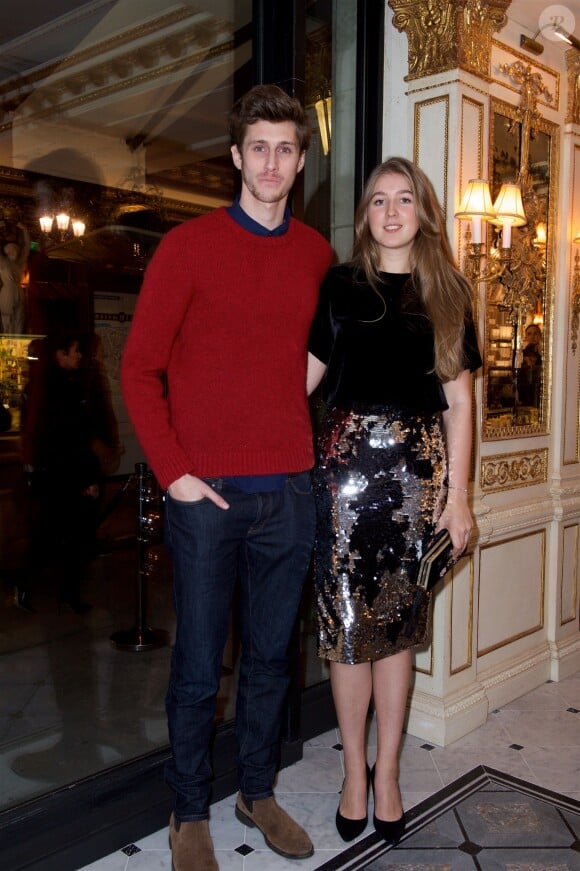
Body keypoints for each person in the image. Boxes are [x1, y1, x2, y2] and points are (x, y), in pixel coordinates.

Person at [121, 84, 333, 870]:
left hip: (288, 490)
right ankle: (187, 810)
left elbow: (318, 357)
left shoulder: (316, 255)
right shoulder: (187, 249)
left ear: (300, 161)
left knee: (274, 658)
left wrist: (284, 402)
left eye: (287, 148)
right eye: (259, 147)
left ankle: (256, 788)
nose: (272, 162)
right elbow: (139, 369)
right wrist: (174, 472)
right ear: (237, 156)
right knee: (199, 663)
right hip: (204, 494)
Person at [307, 157, 481, 845]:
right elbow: (303, 378)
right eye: (378, 199)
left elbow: (461, 405)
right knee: (348, 632)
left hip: (417, 485)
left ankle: (388, 775)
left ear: (423, 212)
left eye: (403, 198)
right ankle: (355, 771)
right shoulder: (341, 285)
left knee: (398, 632)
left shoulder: (449, 292)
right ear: (366, 217)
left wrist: (458, 498)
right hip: (343, 479)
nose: (390, 210)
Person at [21, 332, 102, 613]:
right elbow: (67, 439)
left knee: (67, 537)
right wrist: (85, 478)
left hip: (61, 474)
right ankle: (33, 585)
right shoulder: (56, 390)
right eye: (74, 350)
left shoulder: (60, 386)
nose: (79, 356)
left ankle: (65, 592)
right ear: (60, 354)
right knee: (54, 535)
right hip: (62, 476)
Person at [0, 222, 29, 334]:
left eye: (16, 249)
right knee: (7, 321)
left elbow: (26, 246)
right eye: (13, 249)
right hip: (8, 292)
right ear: (8, 251)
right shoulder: (2, 262)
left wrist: (24, 230)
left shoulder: (20, 263)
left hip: (18, 291)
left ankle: (17, 345)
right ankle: (7, 347)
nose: (16, 251)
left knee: (19, 321)